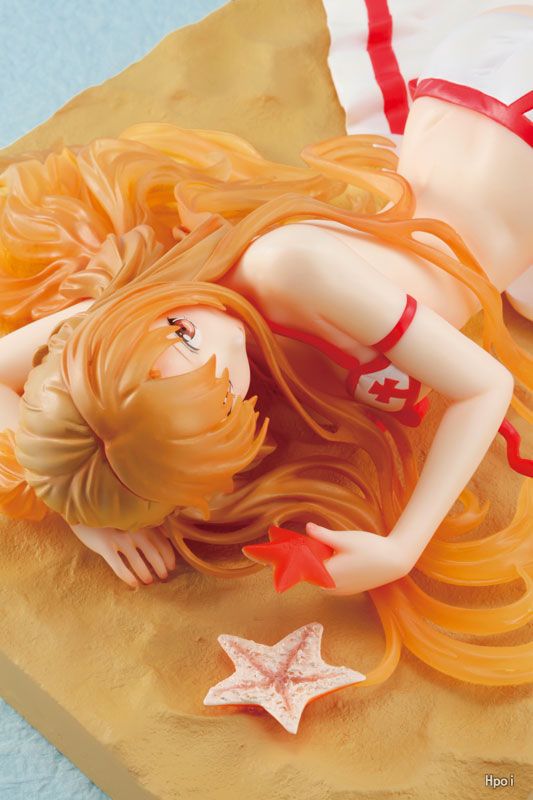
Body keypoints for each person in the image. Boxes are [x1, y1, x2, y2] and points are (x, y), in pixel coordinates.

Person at [0, 7, 530, 686]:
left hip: (507, 122)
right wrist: (86, 506)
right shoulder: (153, 370)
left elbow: (483, 386)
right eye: (221, 395)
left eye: (179, 331)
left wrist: (402, 546)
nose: (215, 345)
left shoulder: (285, 266)